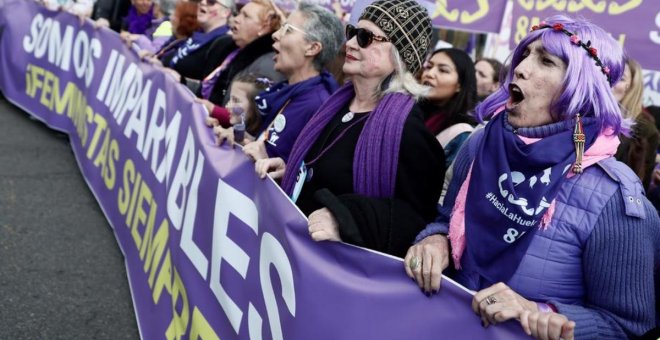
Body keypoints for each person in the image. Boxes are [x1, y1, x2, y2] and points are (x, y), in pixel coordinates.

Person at [405, 15, 659, 340]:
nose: (521, 67)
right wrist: (435, 240)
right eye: (524, 54)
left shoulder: (615, 196)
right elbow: (445, 219)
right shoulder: (481, 144)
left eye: (546, 61)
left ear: (579, 86)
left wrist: (540, 314)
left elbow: (629, 326)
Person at [258, 0, 445, 257]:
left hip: (332, 271)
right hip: (287, 255)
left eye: (366, 37)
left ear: (399, 55)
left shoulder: (408, 131)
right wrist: (289, 169)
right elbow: (323, 169)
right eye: (352, 33)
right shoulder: (334, 106)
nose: (352, 43)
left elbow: (413, 219)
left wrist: (346, 218)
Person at [235, 3, 343, 165]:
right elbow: (268, 150)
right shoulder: (290, 92)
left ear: (312, 48)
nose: (276, 35)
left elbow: (294, 175)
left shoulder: (316, 106)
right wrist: (242, 140)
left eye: (287, 29)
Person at [197, 0, 285, 128]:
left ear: (264, 27)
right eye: (238, 14)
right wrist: (183, 81)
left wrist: (213, 111)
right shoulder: (230, 48)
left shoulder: (270, 64)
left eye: (246, 16)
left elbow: (251, 119)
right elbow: (211, 88)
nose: (236, 19)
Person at [420, 48, 478, 167]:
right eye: (429, 67)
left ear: (460, 85)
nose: (429, 74)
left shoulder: (461, 133)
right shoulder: (407, 111)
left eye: (443, 70)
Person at [158, 0, 235, 81]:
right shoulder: (195, 35)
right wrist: (157, 63)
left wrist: (182, 80)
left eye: (211, 2)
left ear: (226, 12)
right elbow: (174, 61)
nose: (203, 2)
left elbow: (209, 86)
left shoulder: (224, 44)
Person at [613, 58, 659, 192]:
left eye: (620, 78)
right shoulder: (586, 115)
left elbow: (640, 186)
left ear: (632, 87)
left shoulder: (646, 131)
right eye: (610, 74)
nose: (611, 82)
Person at [210, 73, 272, 145]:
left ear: (257, 106)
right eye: (230, 99)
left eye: (236, 100)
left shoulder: (266, 141)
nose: (227, 106)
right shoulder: (241, 126)